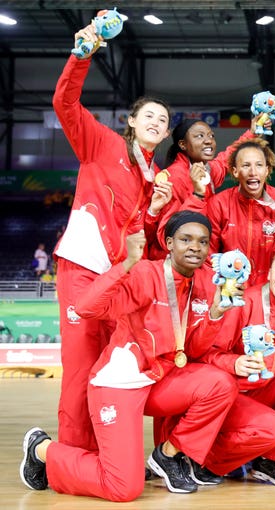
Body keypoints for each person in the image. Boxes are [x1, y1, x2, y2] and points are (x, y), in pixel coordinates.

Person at [20, 211, 239, 501]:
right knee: (125, 487)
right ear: (170, 243)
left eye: (202, 241)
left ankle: (168, 455)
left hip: (160, 381)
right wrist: (126, 265)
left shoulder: (203, 283)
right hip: (121, 382)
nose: (195, 247)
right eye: (186, 239)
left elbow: (195, 350)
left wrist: (214, 315)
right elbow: (86, 307)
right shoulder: (146, 273)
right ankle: (42, 449)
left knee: (220, 384)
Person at [52, 23, 173, 451]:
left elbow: (144, 235)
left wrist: (155, 210)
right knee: (82, 364)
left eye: (164, 120)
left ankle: (105, 456)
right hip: (85, 267)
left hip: (122, 279)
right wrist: (82, 53)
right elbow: (65, 103)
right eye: (150, 116)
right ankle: (68, 455)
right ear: (131, 121)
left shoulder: (155, 177)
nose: (158, 122)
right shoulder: (101, 144)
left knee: (108, 367)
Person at [201, 249, 275, 486]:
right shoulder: (247, 302)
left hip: (266, 391)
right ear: (268, 274)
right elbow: (208, 353)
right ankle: (205, 459)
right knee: (273, 428)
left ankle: (272, 462)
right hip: (234, 395)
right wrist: (234, 363)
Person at [183, 138, 275, 286]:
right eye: (246, 165)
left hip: (269, 291)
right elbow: (209, 256)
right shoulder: (220, 203)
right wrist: (222, 287)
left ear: (267, 170)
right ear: (235, 171)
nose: (253, 172)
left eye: (259, 165)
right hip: (230, 291)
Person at [146, 116, 267, 260]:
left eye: (211, 136)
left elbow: (226, 159)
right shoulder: (174, 178)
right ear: (183, 144)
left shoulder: (206, 169)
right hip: (171, 264)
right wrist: (197, 196)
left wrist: (252, 133)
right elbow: (166, 236)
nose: (209, 140)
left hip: (196, 255)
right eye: (199, 136)